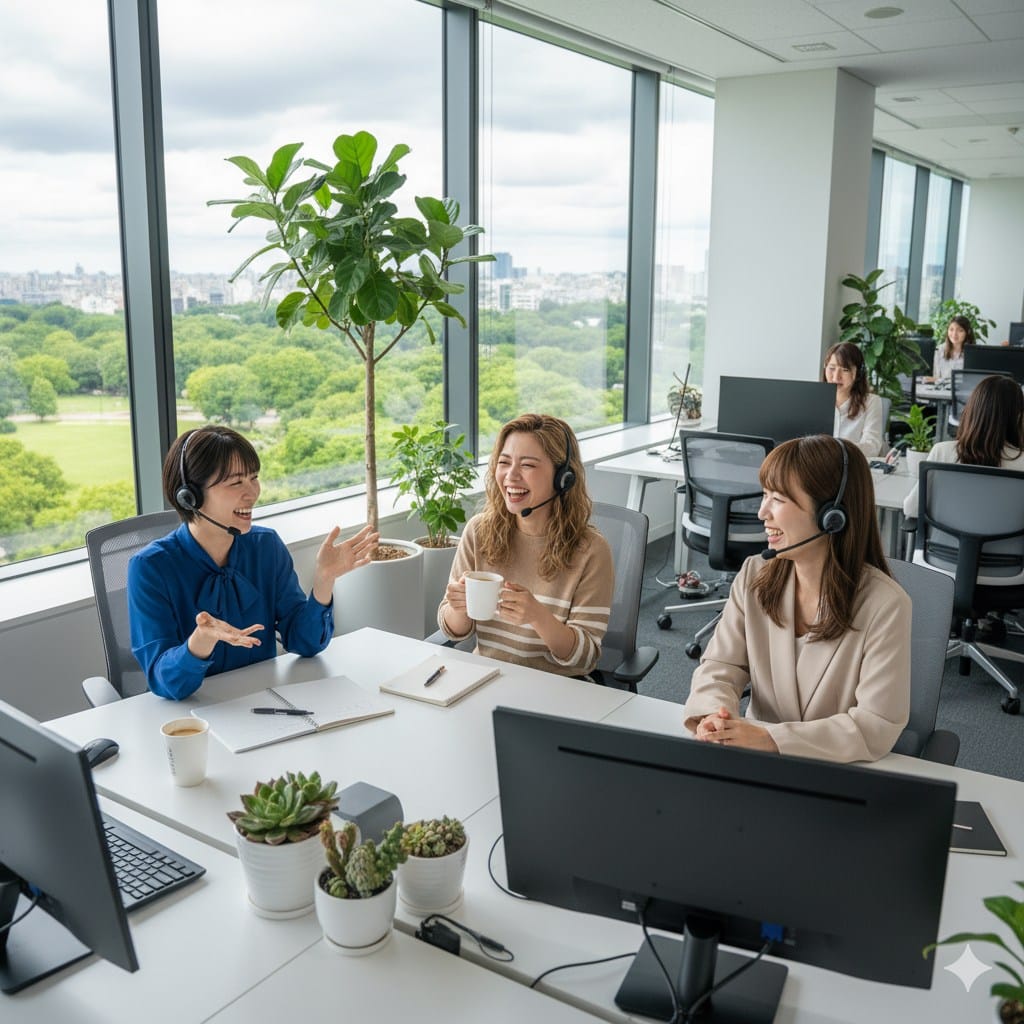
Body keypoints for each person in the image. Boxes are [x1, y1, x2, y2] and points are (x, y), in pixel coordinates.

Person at [683, 434, 910, 763]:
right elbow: (722, 665)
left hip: (837, 771)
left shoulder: (886, 605)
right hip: (755, 760)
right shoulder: (755, 574)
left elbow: (874, 725)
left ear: (831, 516)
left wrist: (771, 739)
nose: (762, 512)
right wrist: (713, 715)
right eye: (764, 495)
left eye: (778, 499)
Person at [127, 426, 378, 700]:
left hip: (265, 703)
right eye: (236, 483)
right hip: (193, 719)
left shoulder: (265, 546)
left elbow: (303, 642)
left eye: (254, 478)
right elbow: (165, 684)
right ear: (190, 496)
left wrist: (324, 581)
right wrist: (201, 640)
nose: (253, 493)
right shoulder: (150, 568)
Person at [437, 413, 613, 678]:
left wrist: (537, 616)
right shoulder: (479, 531)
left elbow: (585, 659)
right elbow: (454, 630)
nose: (511, 476)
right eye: (504, 462)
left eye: (528, 465)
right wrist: (458, 608)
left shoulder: (591, 550)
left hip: (556, 689)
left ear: (563, 477)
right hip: (486, 681)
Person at [902, 373, 1024, 518]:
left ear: (971, 411)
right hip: (1008, 542)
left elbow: (911, 509)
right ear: (1019, 417)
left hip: (947, 541)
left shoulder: (942, 452)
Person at [822, 341, 884, 457]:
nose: (836, 377)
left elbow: (872, 447)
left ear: (858, 373)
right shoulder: (815, 398)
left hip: (852, 467)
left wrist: (835, 449)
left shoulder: (871, 402)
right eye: (832, 368)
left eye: (845, 370)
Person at [932, 315, 975, 380]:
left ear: (968, 332)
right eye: (951, 329)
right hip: (941, 389)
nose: (954, 334)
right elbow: (935, 377)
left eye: (960, 330)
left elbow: (972, 381)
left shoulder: (974, 352)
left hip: (964, 389)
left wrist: (939, 380)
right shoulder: (939, 350)